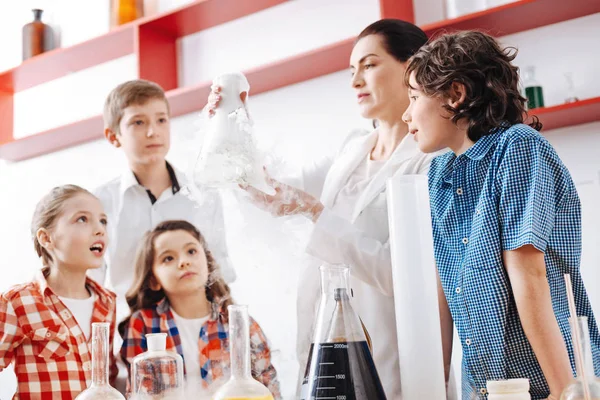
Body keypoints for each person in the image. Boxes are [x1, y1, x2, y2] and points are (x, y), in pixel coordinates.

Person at [208, 19, 444, 398]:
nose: (354, 81)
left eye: (368, 65)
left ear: (412, 67)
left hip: (392, 360)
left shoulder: (431, 160)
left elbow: (397, 274)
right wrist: (233, 128)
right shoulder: (352, 148)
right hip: (325, 347)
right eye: (351, 71)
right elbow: (269, 190)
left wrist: (317, 214)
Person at [401, 30, 600, 399]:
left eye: (414, 97)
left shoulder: (518, 147)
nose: (406, 113)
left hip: (550, 380)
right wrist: (436, 386)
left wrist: (563, 391)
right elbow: (443, 289)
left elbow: (530, 273)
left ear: (455, 95)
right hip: (486, 386)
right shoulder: (437, 174)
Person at [92, 79, 235, 329]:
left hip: (199, 333)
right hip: (129, 336)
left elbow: (218, 270)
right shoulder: (100, 203)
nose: (152, 132)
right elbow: (90, 281)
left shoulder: (204, 195)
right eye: (138, 122)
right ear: (113, 136)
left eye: (161, 120)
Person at [119, 220, 281, 399]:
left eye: (191, 251)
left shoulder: (240, 325)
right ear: (153, 280)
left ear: (208, 262)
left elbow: (268, 385)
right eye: (168, 258)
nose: (184, 262)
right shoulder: (142, 323)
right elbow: (139, 393)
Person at [0, 185, 118, 399]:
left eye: (103, 221)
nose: (100, 229)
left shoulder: (108, 302)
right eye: (82, 219)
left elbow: (107, 378)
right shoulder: (17, 302)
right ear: (46, 238)